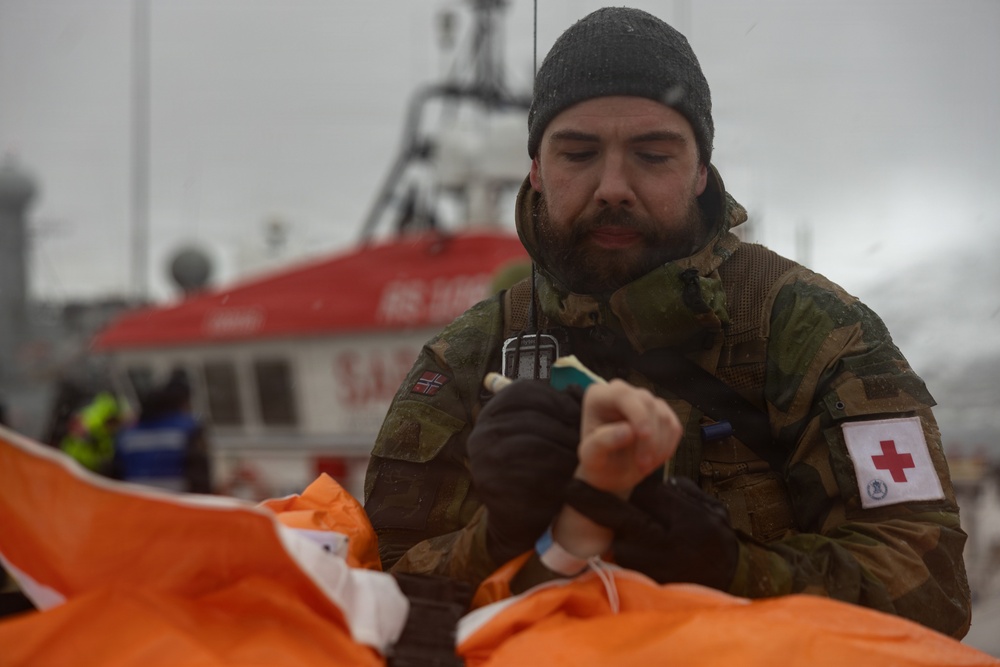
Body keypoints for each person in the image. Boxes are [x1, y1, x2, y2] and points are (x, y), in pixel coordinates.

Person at [363, 7, 971, 638]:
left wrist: (733, 568)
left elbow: (932, 589)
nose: (614, 187)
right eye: (578, 153)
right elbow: (376, 601)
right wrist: (498, 533)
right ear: (538, 172)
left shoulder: (811, 330)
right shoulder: (469, 358)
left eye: (653, 155)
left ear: (701, 170)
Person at [113, 369, 212, 493]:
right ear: (182, 403)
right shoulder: (188, 429)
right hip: (176, 506)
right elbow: (200, 478)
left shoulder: (126, 435)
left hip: (138, 507)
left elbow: (115, 477)